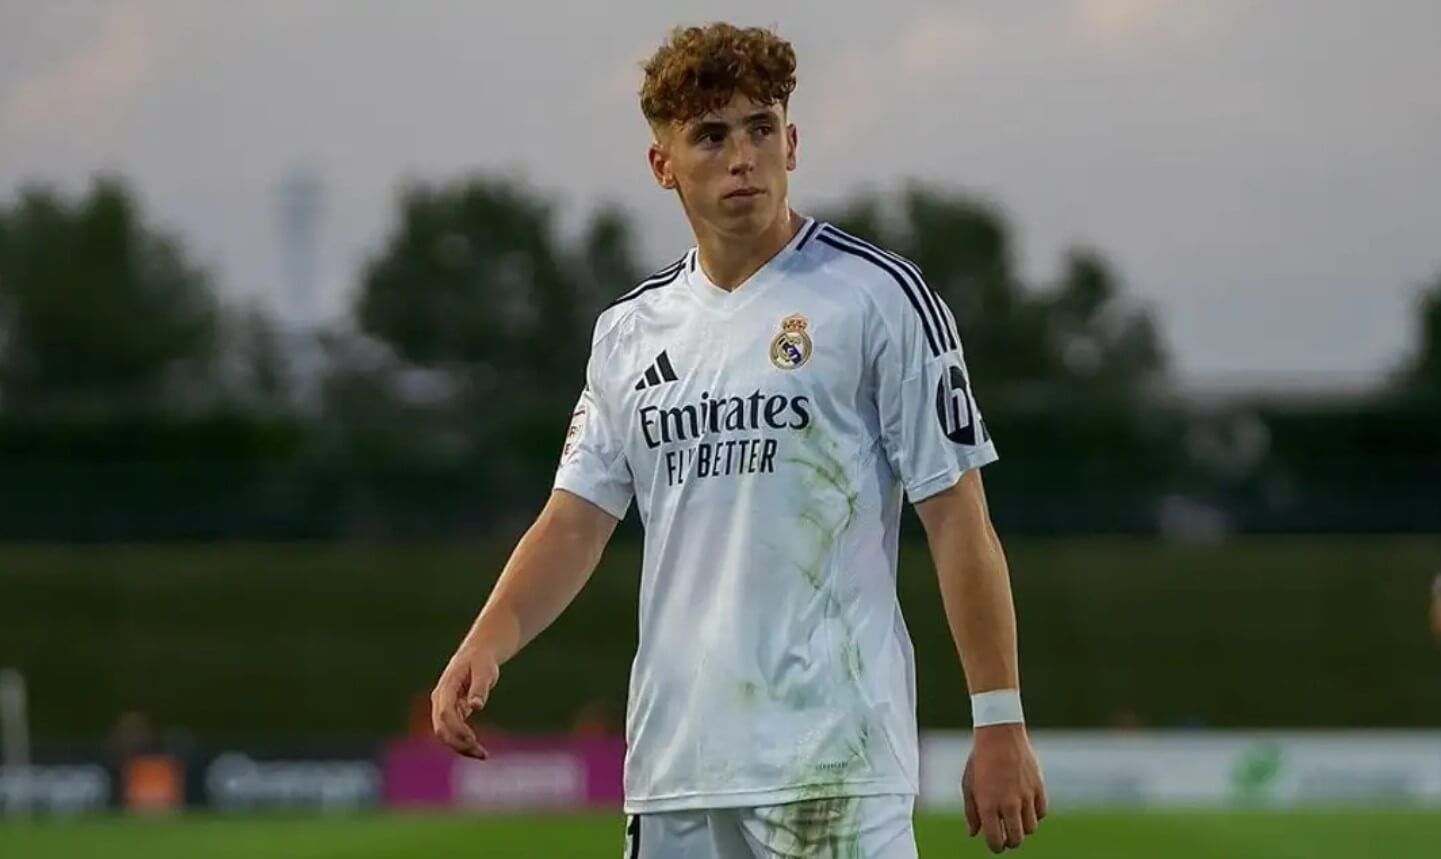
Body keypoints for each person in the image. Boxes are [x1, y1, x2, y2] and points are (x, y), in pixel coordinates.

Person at [431, 22, 1045, 856]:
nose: (742, 156)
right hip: (676, 767)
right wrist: (486, 639)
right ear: (662, 164)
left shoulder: (877, 299)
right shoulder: (628, 332)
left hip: (834, 761)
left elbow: (956, 516)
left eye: (760, 129)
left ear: (791, 142)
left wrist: (998, 717)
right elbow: (575, 518)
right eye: (711, 135)